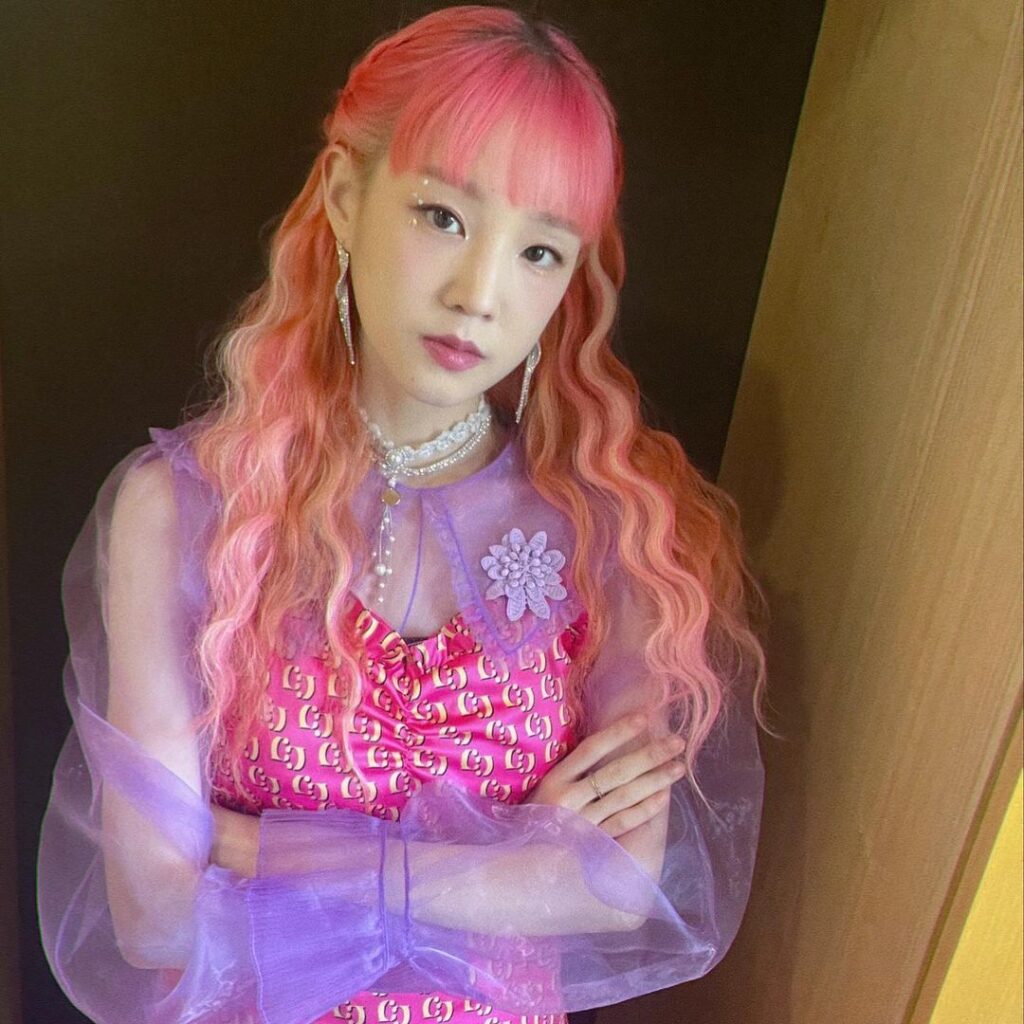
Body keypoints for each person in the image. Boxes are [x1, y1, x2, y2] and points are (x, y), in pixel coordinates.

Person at [37, 6, 767, 1024]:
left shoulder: (617, 528)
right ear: (346, 196)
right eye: (443, 217)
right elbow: (153, 919)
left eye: (539, 252)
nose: (480, 294)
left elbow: (613, 888)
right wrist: (509, 858)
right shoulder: (183, 510)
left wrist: (243, 845)